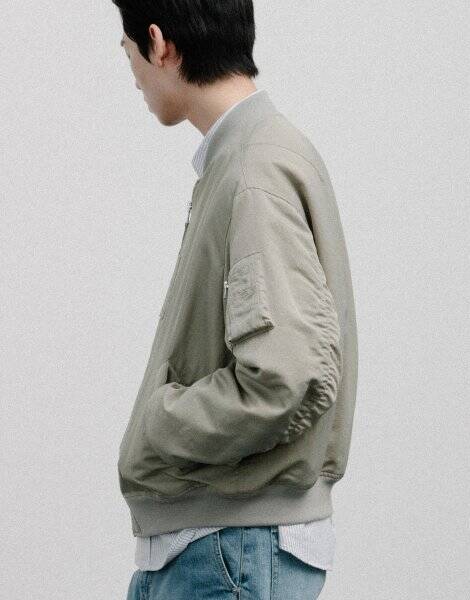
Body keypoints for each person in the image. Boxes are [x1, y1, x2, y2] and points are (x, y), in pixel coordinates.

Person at [112, 2, 358, 599]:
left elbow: (284, 376)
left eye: (128, 51)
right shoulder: (249, 158)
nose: (132, 72)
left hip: (228, 552)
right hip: (224, 550)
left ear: (159, 43)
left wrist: (159, 424)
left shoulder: (255, 170)